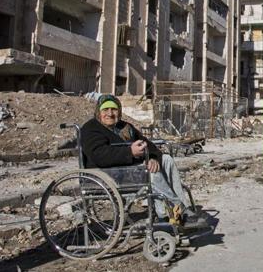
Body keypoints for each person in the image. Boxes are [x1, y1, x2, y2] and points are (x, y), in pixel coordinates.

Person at [80, 94, 207, 229]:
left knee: (167, 160)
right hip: (105, 173)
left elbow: (149, 145)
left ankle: (173, 212)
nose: (110, 114)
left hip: (126, 170)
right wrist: (130, 152)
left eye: (114, 109)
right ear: (98, 112)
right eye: (105, 110)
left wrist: (153, 157)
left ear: (120, 111)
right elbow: (99, 155)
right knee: (149, 172)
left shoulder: (125, 127)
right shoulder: (91, 128)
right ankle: (178, 212)